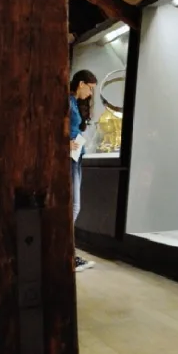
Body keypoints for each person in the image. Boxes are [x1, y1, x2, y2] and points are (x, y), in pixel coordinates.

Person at [69, 71, 97, 272]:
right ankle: (66, 253)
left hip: (76, 156)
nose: (90, 93)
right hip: (69, 157)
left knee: (74, 206)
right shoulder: (67, 102)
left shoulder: (74, 103)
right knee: (74, 206)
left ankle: (67, 252)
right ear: (81, 84)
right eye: (90, 88)